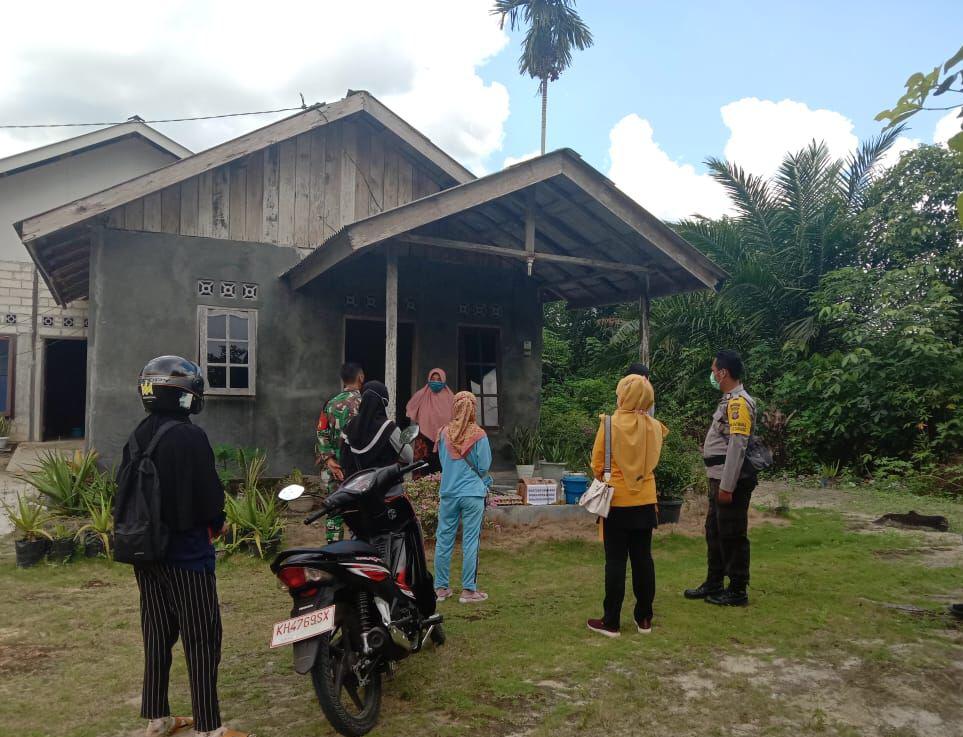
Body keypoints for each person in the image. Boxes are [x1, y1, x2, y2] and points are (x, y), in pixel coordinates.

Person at [122, 356, 249, 737]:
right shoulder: (189, 436)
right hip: (187, 554)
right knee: (202, 637)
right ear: (183, 395)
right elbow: (209, 496)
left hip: (146, 552)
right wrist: (218, 522)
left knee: (157, 634)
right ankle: (209, 727)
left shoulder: (138, 434)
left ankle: (157, 719)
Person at [586, 374, 668, 638]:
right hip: (646, 500)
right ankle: (644, 618)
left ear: (623, 395)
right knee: (643, 559)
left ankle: (611, 621)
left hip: (617, 501)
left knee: (615, 561)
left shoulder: (609, 423)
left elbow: (597, 464)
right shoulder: (654, 426)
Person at [684, 349, 757, 607]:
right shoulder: (728, 400)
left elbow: (738, 445)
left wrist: (727, 486)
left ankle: (737, 589)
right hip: (717, 478)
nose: (712, 374)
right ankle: (714, 582)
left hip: (730, 481)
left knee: (733, 534)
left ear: (724, 373)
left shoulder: (738, 403)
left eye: (714, 370)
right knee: (714, 531)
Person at [433, 391, 492, 604]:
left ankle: (441, 589)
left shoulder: (443, 433)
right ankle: (468, 591)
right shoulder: (479, 434)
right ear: (473, 408)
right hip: (472, 494)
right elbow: (484, 466)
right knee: (470, 541)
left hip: (448, 493)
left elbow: (443, 462)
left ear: (455, 407)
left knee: (443, 540)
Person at [316, 362, 364, 543]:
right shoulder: (365, 404)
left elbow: (321, 432)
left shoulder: (330, 404)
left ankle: (333, 549)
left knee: (334, 509)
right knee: (359, 509)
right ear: (361, 377)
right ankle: (360, 548)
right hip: (359, 469)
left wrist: (329, 460)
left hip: (334, 468)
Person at [340, 381, 414, 476]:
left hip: (356, 481)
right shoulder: (388, 427)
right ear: (381, 404)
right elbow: (408, 456)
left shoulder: (350, 425)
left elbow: (343, 459)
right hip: (383, 482)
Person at [405, 368, 454, 476]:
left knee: (442, 472)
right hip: (424, 440)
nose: (435, 382)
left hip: (444, 441)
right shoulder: (421, 395)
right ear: (428, 380)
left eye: (439, 379)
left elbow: (455, 419)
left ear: (444, 380)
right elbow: (412, 409)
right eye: (433, 379)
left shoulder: (451, 398)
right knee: (422, 472)